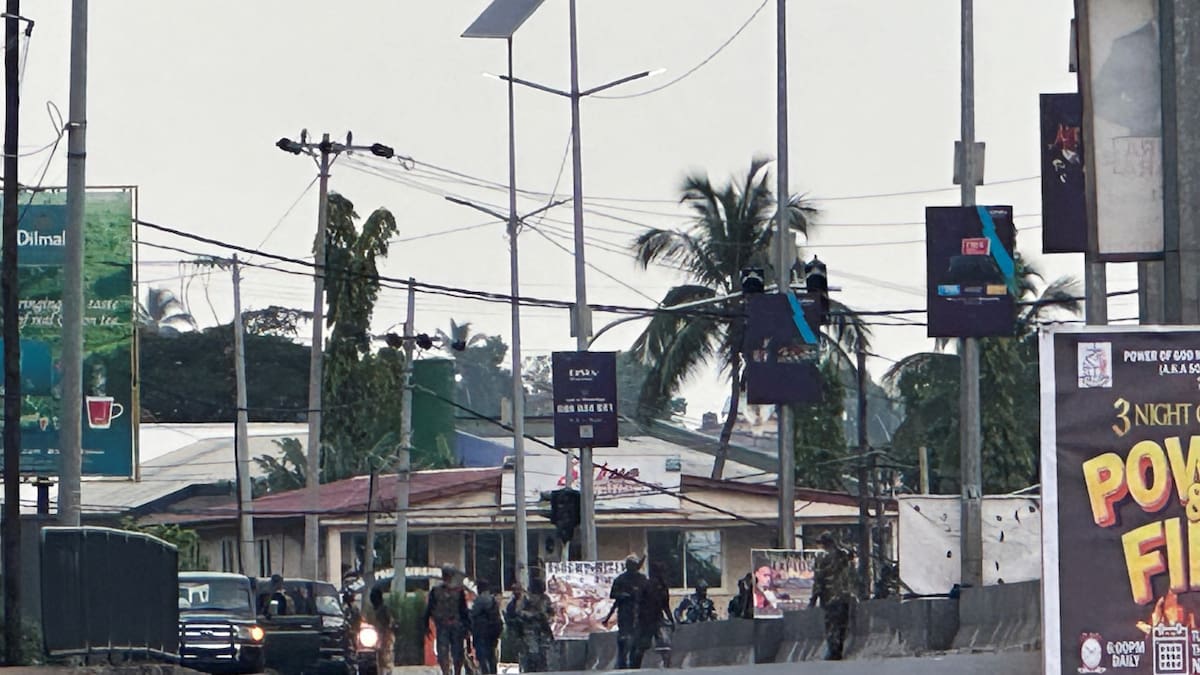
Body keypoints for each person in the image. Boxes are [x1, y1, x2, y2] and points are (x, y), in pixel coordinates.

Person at [808, 531, 857, 660]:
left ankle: (834, 650)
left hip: (829, 597)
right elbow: (853, 555)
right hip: (844, 597)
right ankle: (839, 648)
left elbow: (818, 580)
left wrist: (813, 599)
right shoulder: (843, 555)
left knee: (831, 625)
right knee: (842, 624)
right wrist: (843, 545)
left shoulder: (822, 558)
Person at [423, 564, 471, 675]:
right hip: (443, 626)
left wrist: (467, 627)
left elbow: (463, 611)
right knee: (443, 653)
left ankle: (456, 672)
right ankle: (447, 672)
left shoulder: (458, 591)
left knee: (457, 653)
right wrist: (425, 625)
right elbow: (429, 609)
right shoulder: (436, 591)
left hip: (455, 626)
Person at [603, 554, 647, 669]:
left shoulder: (642, 579)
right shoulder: (620, 579)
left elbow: (648, 595)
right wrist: (624, 595)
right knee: (623, 638)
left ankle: (635, 662)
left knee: (638, 639)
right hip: (625, 612)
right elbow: (613, 595)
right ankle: (622, 661)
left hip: (640, 612)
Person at [633, 561, 675, 669]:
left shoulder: (663, 587)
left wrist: (671, 619)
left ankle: (667, 667)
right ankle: (635, 667)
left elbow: (665, 605)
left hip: (657, 618)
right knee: (643, 645)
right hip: (646, 620)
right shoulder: (646, 585)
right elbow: (638, 602)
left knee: (664, 645)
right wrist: (637, 618)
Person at [516, 578, 554, 673]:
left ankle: (542, 669)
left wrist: (545, 616)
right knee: (532, 654)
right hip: (530, 630)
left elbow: (551, 613)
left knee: (543, 654)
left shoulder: (545, 599)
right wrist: (529, 615)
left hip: (543, 630)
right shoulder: (526, 599)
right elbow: (519, 612)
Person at [469, 578, 503, 675]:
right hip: (492, 632)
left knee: (481, 655)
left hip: (482, 632)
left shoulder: (480, 599)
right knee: (491, 655)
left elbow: (473, 614)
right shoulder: (492, 599)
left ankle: (485, 672)